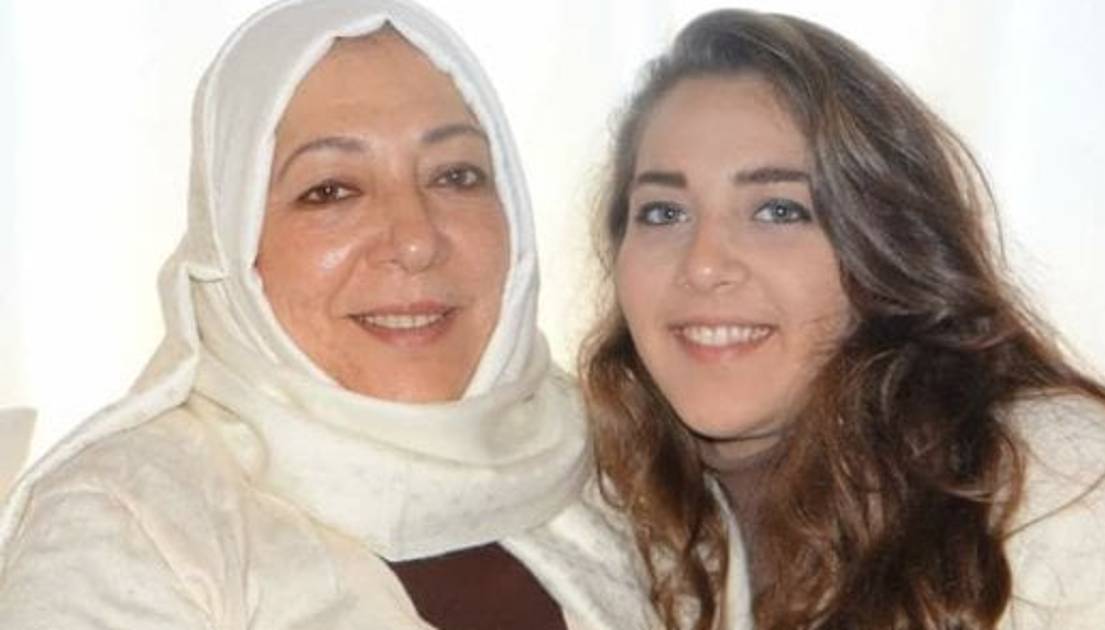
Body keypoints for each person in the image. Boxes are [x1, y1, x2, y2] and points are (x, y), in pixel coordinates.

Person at [0, 1, 754, 627]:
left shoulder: (627, 476)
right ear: (233, 244)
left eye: (455, 175)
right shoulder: (132, 523)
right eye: (331, 190)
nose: (416, 240)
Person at [581, 8, 1105, 630]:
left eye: (778, 210)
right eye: (663, 213)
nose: (704, 264)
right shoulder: (597, 521)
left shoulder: (1049, 481)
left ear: (885, 243)